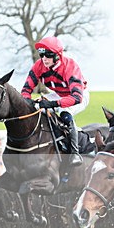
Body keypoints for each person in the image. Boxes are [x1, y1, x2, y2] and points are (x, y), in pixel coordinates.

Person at [21, 35, 88, 166]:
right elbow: (26, 90)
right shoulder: (39, 66)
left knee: (64, 111)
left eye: (48, 55)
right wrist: (27, 102)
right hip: (58, 94)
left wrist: (53, 104)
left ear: (57, 55)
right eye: (42, 55)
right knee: (36, 107)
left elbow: (76, 97)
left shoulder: (70, 66)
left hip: (79, 95)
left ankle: (75, 153)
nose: (44, 59)